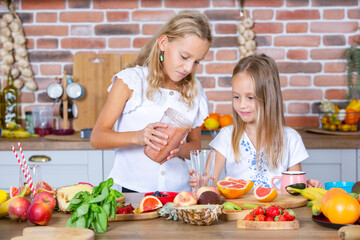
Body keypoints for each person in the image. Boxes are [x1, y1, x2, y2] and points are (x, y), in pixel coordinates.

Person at [90, 11, 212, 193]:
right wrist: (137, 136)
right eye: (184, 57)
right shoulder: (131, 81)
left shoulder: (195, 90)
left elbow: (195, 146)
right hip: (134, 191)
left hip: (179, 193)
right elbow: (97, 138)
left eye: (197, 62)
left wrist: (180, 149)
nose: (188, 68)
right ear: (164, 43)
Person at [191, 54, 322, 189]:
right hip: (237, 210)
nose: (242, 105)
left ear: (269, 97)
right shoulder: (226, 136)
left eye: (250, 97)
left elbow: (295, 189)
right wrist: (202, 182)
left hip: (278, 210)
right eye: (236, 97)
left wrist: (309, 188)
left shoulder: (290, 138)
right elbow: (208, 182)